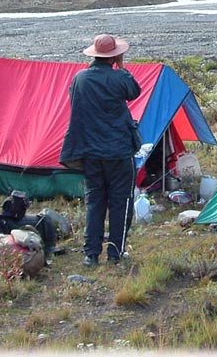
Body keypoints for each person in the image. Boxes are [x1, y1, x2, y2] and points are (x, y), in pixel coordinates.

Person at [59, 33, 142, 266]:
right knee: (120, 201)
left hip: (90, 152)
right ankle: (115, 252)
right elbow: (135, 92)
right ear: (115, 56)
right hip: (118, 151)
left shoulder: (79, 78)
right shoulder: (119, 78)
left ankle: (91, 254)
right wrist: (122, 67)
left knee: (95, 201)